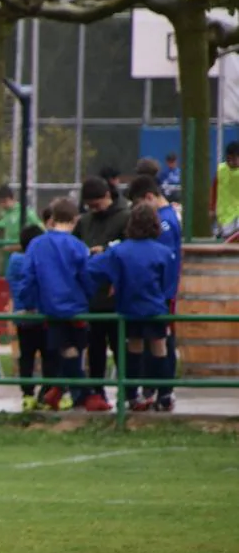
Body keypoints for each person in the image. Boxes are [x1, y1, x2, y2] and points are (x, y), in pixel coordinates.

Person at [87, 203, 175, 412]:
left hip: (129, 308)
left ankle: (130, 395)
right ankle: (163, 394)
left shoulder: (119, 251)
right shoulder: (163, 252)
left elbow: (93, 269)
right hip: (155, 308)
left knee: (133, 348)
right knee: (159, 347)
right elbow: (168, 284)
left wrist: (112, 282)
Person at [18, 198, 96, 411]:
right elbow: (86, 275)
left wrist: (28, 302)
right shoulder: (78, 246)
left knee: (65, 349)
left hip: (50, 307)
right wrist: (91, 296)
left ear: (51, 219)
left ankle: (61, 390)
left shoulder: (37, 244)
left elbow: (27, 276)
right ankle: (81, 393)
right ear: (75, 220)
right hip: (76, 307)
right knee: (73, 351)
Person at [73, 176, 130, 411]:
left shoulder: (125, 217)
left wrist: (107, 250)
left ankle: (127, 392)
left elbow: (129, 247)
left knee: (120, 347)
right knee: (94, 348)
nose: (94, 210)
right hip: (91, 297)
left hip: (115, 297)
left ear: (107, 196)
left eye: (97, 205)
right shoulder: (85, 221)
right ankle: (97, 391)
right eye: (90, 206)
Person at [127, 174, 182, 411]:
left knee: (161, 342)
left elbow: (163, 261)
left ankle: (164, 392)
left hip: (161, 295)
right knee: (155, 342)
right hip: (158, 294)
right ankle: (155, 391)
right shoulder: (166, 217)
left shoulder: (165, 223)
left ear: (149, 197)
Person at [6, 224, 55, 412]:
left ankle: (27, 394)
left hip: (21, 318)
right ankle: (47, 392)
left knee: (26, 356)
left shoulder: (13, 261)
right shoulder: (36, 261)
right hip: (40, 317)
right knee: (48, 355)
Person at [214, 141, 239, 238]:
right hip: (225, 215)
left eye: (235, 158)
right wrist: (212, 209)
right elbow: (215, 189)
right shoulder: (221, 170)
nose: (231, 162)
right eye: (229, 158)